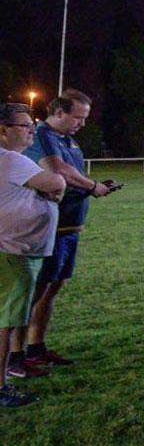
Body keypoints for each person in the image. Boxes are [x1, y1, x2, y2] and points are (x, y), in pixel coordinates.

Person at [20, 89, 118, 370]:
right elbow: (58, 169)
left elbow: (72, 174)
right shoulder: (42, 136)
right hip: (51, 225)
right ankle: (15, 354)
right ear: (59, 112)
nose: (82, 123)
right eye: (78, 117)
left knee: (52, 288)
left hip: (71, 225)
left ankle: (36, 347)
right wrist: (92, 186)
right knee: (36, 291)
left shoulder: (68, 140)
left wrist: (95, 184)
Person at [0, 104, 65, 407]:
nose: (31, 130)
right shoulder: (12, 159)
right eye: (25, 125)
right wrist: (50, 190)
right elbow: (57, 182)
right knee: (6, 321)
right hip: (14, 251)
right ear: (4, 130)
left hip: (12, 249)